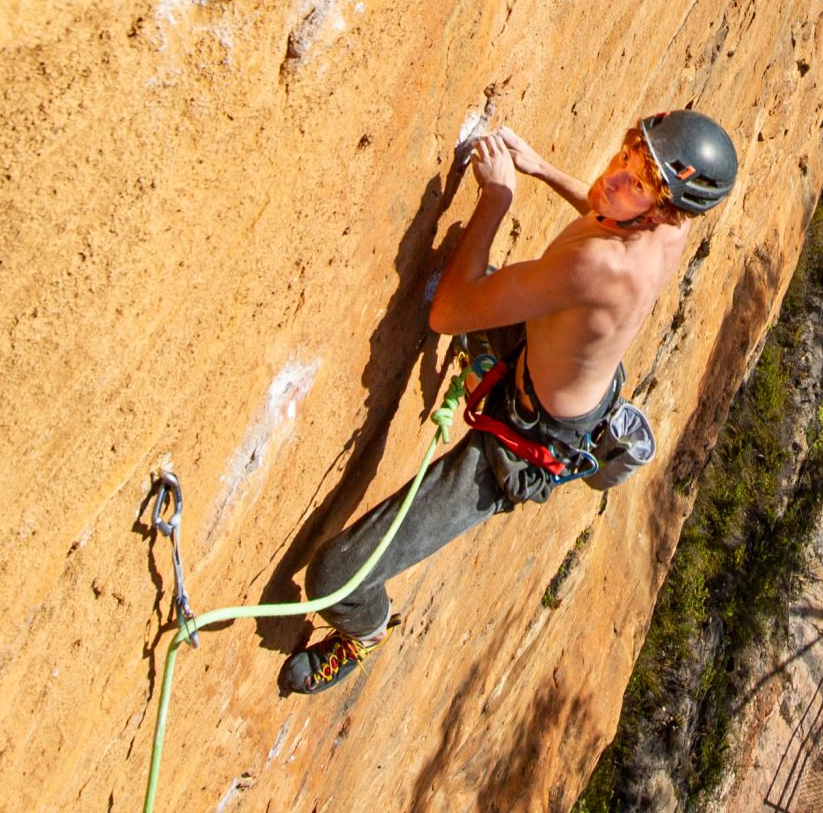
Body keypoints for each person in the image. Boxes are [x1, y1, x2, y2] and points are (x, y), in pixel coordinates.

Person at [281, 108, 738, 695]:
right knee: (503, 281)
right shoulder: (667, 227)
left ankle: (362, 633)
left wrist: (497, 196)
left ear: (662, 208)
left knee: (334, 576)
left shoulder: (604, 267)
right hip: (555, 370)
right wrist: (542, 168)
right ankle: (498, 361)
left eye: (640, 183)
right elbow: (603, 213)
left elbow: (446, 313)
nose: (616, 178)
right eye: (628, 156)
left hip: (519, 448)